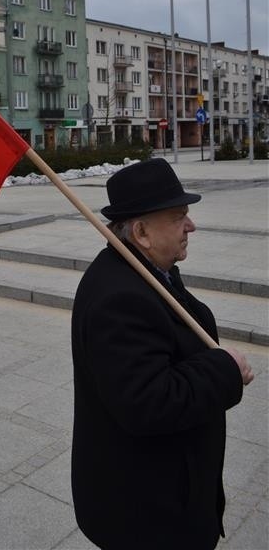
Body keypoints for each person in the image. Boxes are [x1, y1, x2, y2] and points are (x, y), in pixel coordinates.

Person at [71, 158, 254, 550]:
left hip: (164, 491)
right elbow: (148, 401)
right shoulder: (119, 297)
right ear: (141, 232)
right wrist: (225, 369)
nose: (191, 226)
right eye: (178, 217)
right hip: (149, 514)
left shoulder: (148, 266)